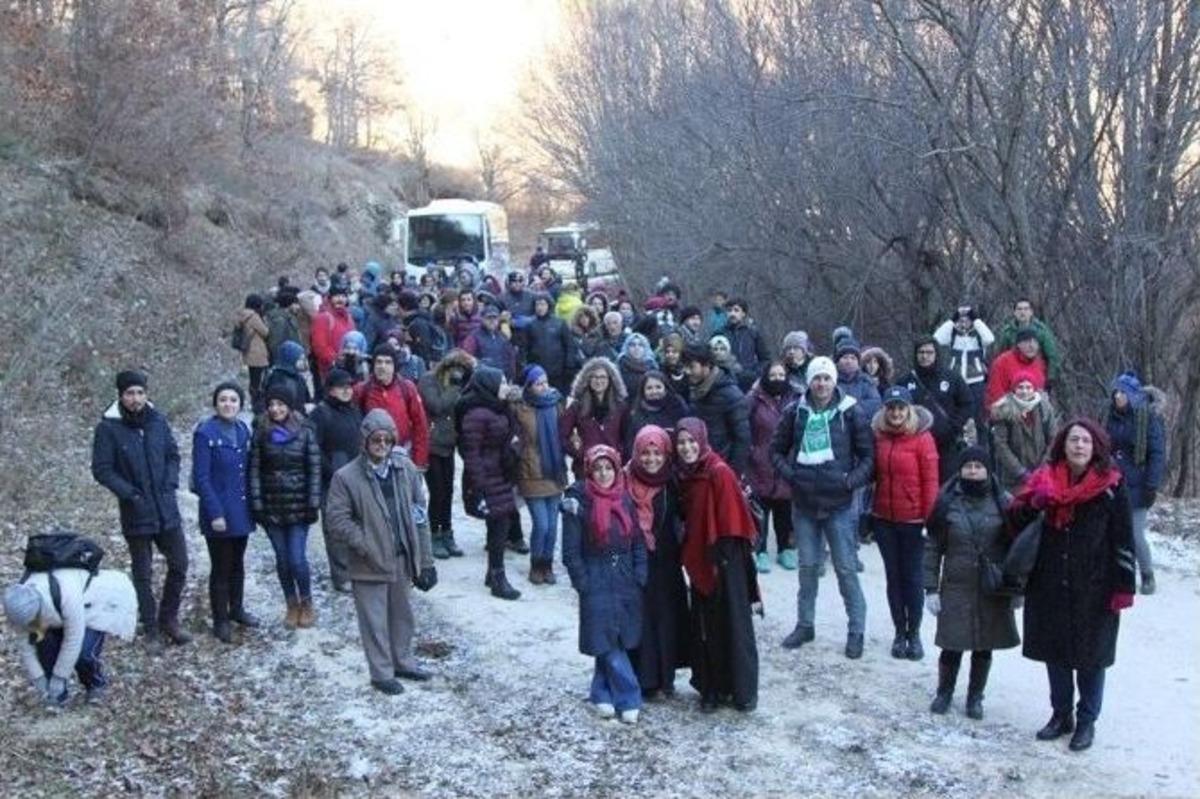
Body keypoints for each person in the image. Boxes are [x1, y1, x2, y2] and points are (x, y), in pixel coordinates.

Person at [1008, 418, 1135, 752]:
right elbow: (1014, 522)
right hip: (1049, 582)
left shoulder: (1111, 485)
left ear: (1096, 448)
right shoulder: (1044, 480)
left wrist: (1124, 587)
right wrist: (1035, 503)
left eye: (1085, 441)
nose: (1079, 446)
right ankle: (1060, 714)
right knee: (1056, 654)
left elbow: (1124, 538)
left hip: (1095, 585)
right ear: (1063, 444)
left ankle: (1087, 721)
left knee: (1091, 657)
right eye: (1074, 440)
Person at [325, 409, 437, 695]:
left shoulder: (405, 469)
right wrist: (365, 544)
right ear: (365, 441)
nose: (383, 445)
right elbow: (336, 520)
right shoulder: (345, 477)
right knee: (374, 621)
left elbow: (420, 514)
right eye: (377, 439)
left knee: (402, 616)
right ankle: (381, 672)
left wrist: (425, 560)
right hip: (368, 563)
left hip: (401, 558)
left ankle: (403, 661)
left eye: (388, 439)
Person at [770, 356, 874, 658]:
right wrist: (792, 476)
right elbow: (775, 450)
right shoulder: (795, 412)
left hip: (839, 503)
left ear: (834, 381)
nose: (822, 384)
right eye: (817, 378)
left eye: (827, 379)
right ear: (810, 381)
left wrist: (849, 482)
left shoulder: (851, 412)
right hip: (804, 503)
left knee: (845, 569)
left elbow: (868, 457)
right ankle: (805, 624)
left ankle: (856, 630)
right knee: (807, 568)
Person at [91, 370, 190, 646]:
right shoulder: (108, 428)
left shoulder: (157, 421)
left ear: (147, 394)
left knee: (180, 564)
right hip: (136, 509)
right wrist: (129, 494)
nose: (135, 399)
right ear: (121, 396)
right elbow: (102, 469)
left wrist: (169, 483)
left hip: (166, 507)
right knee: (143, 572)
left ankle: (168, 618)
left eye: (140, 393)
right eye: (130, 393)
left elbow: (172, 454)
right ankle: (151, 628)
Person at [924, 447, 1019, 719]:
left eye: (979, 466)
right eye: (969, 466)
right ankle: (944, 692)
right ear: (960, 469)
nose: (974, 471)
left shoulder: (1005, 503)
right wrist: (931, 587)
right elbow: (933, 546)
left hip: (992, 587)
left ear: (988, 471)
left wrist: (1017, 590)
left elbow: (1017, 549)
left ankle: (975, 697)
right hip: (956, 584)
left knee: (984, 645)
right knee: (951, 644)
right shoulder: (946, 502)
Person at [674, 418, 760, 712]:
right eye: (681, 442)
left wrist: (721, 559)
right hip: (702, 556)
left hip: (726, 557)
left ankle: (742, 690)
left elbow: (733, 519)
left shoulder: (719, 472)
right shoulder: (687, 475)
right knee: (704, 626)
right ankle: (710, 687)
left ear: (702, 440)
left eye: (691, 441)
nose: (686, 448)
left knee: (733, 623)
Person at [561, 445, 648, 724]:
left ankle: (601, 692)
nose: (603, 473)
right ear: (589, 471)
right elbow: (570, 551)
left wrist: (639, 572)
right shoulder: (578, 502)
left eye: (608, 467)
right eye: (597, 468)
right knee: (605, 638)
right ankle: (629, 695)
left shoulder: (625, 499)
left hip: (623, 575)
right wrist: (582, 582)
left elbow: (636, 539)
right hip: (595, 574)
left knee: (617, 635)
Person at [870, 385, 940, 660]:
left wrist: (929, 518)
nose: (896, 413)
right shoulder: (879, 437)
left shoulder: (922, 439)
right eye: (891, 408)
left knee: (912, 577)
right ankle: (899, 631)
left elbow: (931, 481)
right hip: (884, 517)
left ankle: (915, 633)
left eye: (900, 408)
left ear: (908, 410)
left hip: (914, 520)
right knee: (893, 577)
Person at [3, 566, 136, 706]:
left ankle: (95, 685)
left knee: (84, 653)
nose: (29, 625)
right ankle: (57, 696)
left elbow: (73, 640)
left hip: (92, 604)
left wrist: (59, 677)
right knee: (43, 643)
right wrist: (39, 678)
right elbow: (27, 646)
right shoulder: (17, 604)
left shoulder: (66, 594)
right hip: (56, 614)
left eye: (32, 621)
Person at [625, 426, 690, 699]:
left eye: (657, 453)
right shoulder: (624, 480)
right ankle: (645, 679)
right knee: (641, 619)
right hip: (635, 561)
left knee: (666, 619)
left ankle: (666, 677)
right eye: (646, 453)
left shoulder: (672, 481)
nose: (651, 459)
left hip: (666, 561)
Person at [249, 383, 322, 628]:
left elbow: (314, 468)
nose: (275, 409)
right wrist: (257, 504)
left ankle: (307, 601)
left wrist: (314, 502)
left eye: (280, 404)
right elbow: (255, 470)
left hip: (299, 507)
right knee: (282, 560)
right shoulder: (261, 433)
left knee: (297, 558)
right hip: (272, 507)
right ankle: (291, 603)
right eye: (271, 405)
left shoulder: (304, 431)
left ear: (289, 407)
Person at [192, 382, 259, 643]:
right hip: (218, 512)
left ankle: (237, 608)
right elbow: (201, 477)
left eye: (233, 400)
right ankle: (220, 619)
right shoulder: (205, 433)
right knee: (221, 566)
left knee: (238, 563)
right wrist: (215, 512)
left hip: (241, 509)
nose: (228, 404)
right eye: (223, 400)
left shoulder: (243, 430)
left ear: (240, 405)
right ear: (216, 404)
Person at [457, 365, 523, 600]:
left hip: (501, 473)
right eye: (502, 382)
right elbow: (471, 453)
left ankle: (492, 573)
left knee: (499, 525)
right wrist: (479, 486)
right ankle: (498, 578)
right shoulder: (476, 414)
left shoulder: (499, 408)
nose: (506, 386)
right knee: (499, 526)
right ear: (489, 385)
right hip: (487, 477)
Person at [1104, 371, 1166, 595]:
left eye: (1122, 392)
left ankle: (1147, 573)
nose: (1117, 396)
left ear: (1132, 395)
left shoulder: (1147, 418)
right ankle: (1118, 572)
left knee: (1135, 533)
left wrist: (1152, 485)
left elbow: (1157, 454)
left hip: (1139, 484)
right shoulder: (1110, 416)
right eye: (1115, 392)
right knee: (1111, 529)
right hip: (1113, 480)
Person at [306, 368, 363, 593]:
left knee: (357, 525)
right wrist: (332, 470)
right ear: (330, 389)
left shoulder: (354, 411)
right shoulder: (320, 414)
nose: (347, 391)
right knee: (336, 530)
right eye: (342, 387)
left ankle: (358, 570)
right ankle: (341, 575)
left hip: (357, 478)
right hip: (331, 481)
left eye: (349, 387)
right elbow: (313, 447)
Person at [417, 350, 475, 560]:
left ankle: (447, 533)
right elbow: (437, 406)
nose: (458, 373)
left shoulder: (459, 386)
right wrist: (453, 387)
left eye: (462, 370)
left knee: (449, 492)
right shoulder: (428, 380)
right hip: (432, 445)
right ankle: (434, 535)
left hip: (449, 445)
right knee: (437, 492)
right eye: (455, 368)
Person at [514, 365, 568, 585]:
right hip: (531, 472)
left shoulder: (556, 403)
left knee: (553, 525)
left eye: (545, 381)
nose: (544, 386)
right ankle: (536, 564)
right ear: (529, 386)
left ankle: (548, 564)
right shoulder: (520, 407)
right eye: (538, 383)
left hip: (554, 471)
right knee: (542, 524)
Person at [899, 336, 973, 482]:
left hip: (947, 444)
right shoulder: (905, 381)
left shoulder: (952, 378)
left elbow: (967, 403)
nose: (925, 356)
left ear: (936, 354)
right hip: (914, 443)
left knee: (946, 486)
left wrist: (954, 426)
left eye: (929, 352)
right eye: (921, 352)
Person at [747, 361, 796, 573]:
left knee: (784, 508)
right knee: (760, 509)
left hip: (787, 460)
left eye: (781, 374)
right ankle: (760, 550)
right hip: (760, 460)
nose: (777, 378)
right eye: (773, 375)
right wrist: (750, 451)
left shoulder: (795, 397)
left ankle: (785, 547)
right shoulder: (753, 398)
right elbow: (742, 425)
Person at [354, 344, 430, 471]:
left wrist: (419, 461)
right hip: (372, 456)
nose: (382, 366)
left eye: (388, 362)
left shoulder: (407, 388)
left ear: (395, 366)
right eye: (379, 362)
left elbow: (420, 425)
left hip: (402, 453)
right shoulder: (362, 390)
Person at [681, 344, 750, 475]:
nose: (687, 372)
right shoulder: (695, 390)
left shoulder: (731, 395)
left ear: (706, 366)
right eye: (685, 367)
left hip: (721, 470)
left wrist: (731, 474)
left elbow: (743, 440)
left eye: (691, 367)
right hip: (699, 468)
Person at [560, 357, 628, 481]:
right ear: (587, 379)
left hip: (613, 469)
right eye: (594, 377)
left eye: (603, 377)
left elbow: (627, 436)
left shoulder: (620, 406)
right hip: (585, 469)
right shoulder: (577, 406)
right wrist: (580, 453)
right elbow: (562, 435)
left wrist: (618, 453)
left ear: (610, 380)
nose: (598, 381)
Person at [990, 372, 1059, 492]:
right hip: (1013, 478)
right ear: (1014, 389)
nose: (1024, 391)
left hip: (1043, 473)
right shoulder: (1004, 410)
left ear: (1034, 389)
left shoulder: (1045, 409)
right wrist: (1020, 472)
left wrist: (1044, 466)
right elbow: (1000, 445)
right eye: (1020, 387)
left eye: (1028, 387)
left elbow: (1054, 438)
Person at [932, 305, 994, 426]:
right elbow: (937, 338)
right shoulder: (953, 335)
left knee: (979, 416)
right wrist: (952, 320)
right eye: (961, 320)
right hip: (956, 380)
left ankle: (981, 442)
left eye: (967, 320)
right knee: (957, 412)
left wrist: (976, 319)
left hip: (976, 381)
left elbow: (990, 338)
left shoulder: (978, 336)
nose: (964, 323)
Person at [996, 298, 1062, 386]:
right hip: (1014, 376)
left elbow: (1052, 356)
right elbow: (1001, 355)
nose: (1022, 312)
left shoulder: (1041, 331)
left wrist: (1050, 378)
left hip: (1037, 374)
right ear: (1014, 312)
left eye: (1026, 309)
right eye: (1019, 309)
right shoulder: (1008, 332)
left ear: (1031, 312)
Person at [623, 370, 690, 455]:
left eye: (658, 387)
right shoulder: (635, 413)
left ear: (665, 388)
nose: (654, 391)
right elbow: (631, 444)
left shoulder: (678, 407)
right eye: (649, 388)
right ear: (643, 391)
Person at [984, 328, 1048, 411]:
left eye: (1035, 342)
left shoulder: (1038, 364)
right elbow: (995, 394)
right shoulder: (1002, 363)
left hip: (1034, 414)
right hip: (1009, 413)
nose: (1032, 346)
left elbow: (1039, 390)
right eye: (1027, 342)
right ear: (1018, 344)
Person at [523, 293, 576, 392]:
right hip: (539, 372)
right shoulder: (530, 325)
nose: (540, 308)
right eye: (537, 304)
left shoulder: (560, 323)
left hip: (558, 371)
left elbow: (569, 345)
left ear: (549, 305)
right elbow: (525, 348)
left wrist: (569, 364)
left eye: (543, 304)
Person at [310, 283, 357, 383]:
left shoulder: (348, 317)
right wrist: (335, 359)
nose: (340, 299)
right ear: (330, 298)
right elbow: (320, 346)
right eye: (337, 296)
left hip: (348, 367)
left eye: (343, 296)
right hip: (330, 370)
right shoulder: (323, 317)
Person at [721, 298, 769, 391]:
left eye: (736, 310)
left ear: (743, 313)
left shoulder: (753, 333)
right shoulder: (720, 333)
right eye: (729, 310)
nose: (732, 314)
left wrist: (755, 374)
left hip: (749, 383)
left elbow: (765, 359)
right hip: (726, 383)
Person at [463, 304, 517, 381]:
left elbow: (511, 360)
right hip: (483, 382)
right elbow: (467, 360)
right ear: (482, 319)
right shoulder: (473, 337)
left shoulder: (503, 337)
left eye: (494, 318)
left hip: (502, 381)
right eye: (489, 318)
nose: (492, 321)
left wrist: (511, 378)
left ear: (498, 320)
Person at [237, 295, 271, 412]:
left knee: (253, 378)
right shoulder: (253, 316)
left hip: (248, 351)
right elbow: (265, 332)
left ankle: (253, 400)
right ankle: (257, 403)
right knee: (259, 379)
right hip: (257, 352)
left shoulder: (242, 314)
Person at [263, 340, 312, 411]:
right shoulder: (278, 379)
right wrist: (303, 408)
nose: (303, 362)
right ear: (291, 359)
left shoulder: (299, 377)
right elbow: (281, 405)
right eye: (300, 359)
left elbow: (307, 398)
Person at [616, 332, 658, 400]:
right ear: (627, 347)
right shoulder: (619, 367)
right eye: (632, 345)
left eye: (641, 345)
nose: (636, 348)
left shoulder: (653, 368)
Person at [780, 330, 813, 396]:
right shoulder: (781, 370)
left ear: (804, 351)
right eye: (788, 348)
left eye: (795, 348)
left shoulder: (814, 366)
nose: (791, 352)